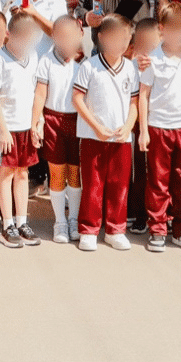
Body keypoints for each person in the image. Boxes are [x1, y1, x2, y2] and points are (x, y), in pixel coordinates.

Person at [137, 5, 181, 254]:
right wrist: (143, 130)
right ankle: (157, 228)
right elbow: (143, 95)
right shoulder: (152, 57)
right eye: (173, 29)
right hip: (158, 128)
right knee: (157, 181)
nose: (179, 34)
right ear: (162, 30)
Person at [71, 15, 137, 253]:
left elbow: (134, 102)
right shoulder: (89, 66)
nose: (120, 42)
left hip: (121, 138)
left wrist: (129, 125)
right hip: (93, 136)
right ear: (100, 38)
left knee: (119, 185)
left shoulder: (130, 67)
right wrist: (97, 126)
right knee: (93, 184)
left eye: (125, 37)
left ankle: (115, 229)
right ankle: (88, 229)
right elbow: (77, 98)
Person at [0, 13, 41, 247]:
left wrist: (37, 122)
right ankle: (7, 223)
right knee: (6, 173)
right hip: (8, 127)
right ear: (10, 35)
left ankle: (22, 221)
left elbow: (37, 92)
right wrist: (3, 128)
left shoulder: (33, 56)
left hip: (26, 126)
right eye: (22, 38)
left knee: (23, 173)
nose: (26, 43)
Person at [33, 14, 84, 243]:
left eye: (70, 35)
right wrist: (37, 121)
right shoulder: (46, 60)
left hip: (77, 121)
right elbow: (40, 93)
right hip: (53, 120)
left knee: (75, 173)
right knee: (57, 173)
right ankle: (59, 222)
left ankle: (73, 219)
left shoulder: (84, 61)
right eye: (60, 35)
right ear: (53, 36)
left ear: (80, 34)